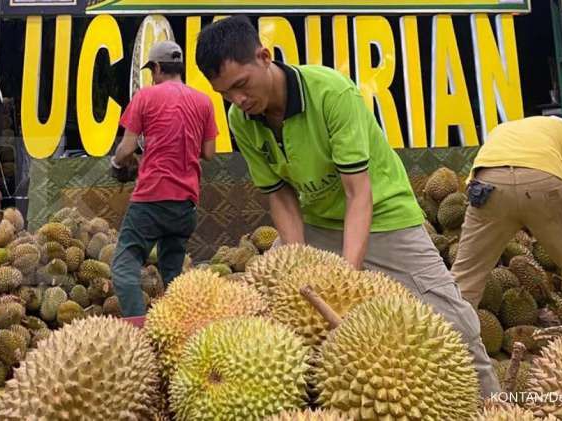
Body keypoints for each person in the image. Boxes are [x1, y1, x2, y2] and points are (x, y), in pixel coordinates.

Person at [195, 15, 499, 398]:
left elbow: (359, 193)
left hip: (385, 215)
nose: (238, 100)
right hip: (318, 221)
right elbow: (281, 194)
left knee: (455, 324)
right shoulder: (242, 119)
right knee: (270, 311)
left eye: (241, 85)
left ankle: (494, 404)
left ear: (264, 56)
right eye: (226, 94)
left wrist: (345, 282)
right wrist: (297, 261)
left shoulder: (331, 93)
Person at [451, 115, 562, 328]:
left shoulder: (502, 129)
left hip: (488, 185)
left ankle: (445, 349)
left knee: (464, 280)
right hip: (544, 184)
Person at [111, 40, 218, 317]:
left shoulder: (146, 97)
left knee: (125, 264)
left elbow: (127, 147)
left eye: (152, 70)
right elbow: (209, 153)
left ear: (157, 68)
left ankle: (137, 328)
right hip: (186, 203)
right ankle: (180, 330)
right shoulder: (204, 101)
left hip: (151, 198)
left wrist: (116, 161)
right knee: (172, 271)